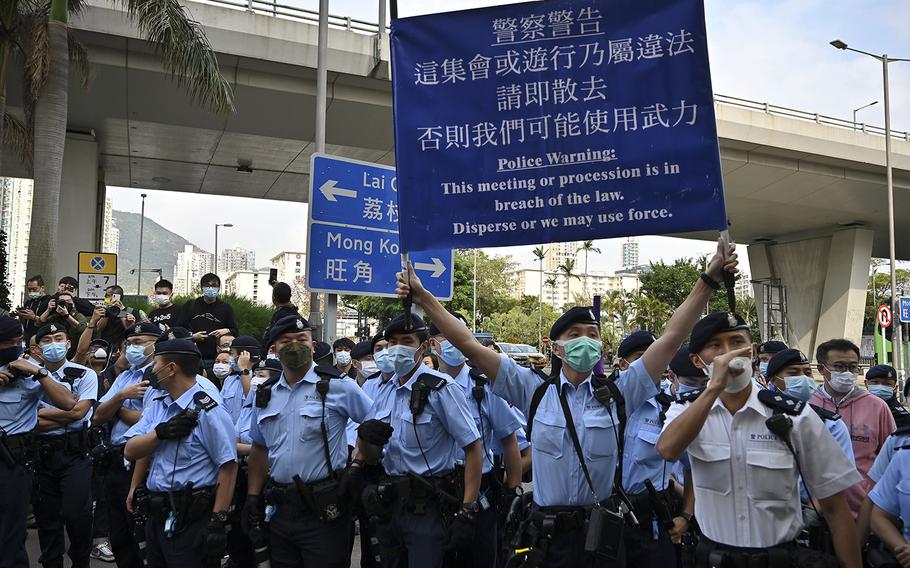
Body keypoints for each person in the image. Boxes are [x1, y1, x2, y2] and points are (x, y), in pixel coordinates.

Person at [400, 238, 738, 568]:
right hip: (548, 540)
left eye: (593, 334)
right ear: (556, 348)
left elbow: (671, 337)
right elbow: (469, 344)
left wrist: (708, 280)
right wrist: (424, 298)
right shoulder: (531, 390)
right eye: (575, 335)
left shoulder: (621, 392)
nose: (586, 342)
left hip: (603, 538)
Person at [656, 312, 862, 568]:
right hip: (712, 558)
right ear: (697, 361)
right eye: (715, 346)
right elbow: (668, 449)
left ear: (752, 351)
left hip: (781, 558)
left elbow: (835, 509)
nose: (729, 353)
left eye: (736, 342)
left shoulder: (794, 416)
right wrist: (713, 389)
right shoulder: (686, 411)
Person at [241, 315, 373, 567]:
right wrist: (253, 496)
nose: (295, 345)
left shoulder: (337, 386)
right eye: (286, 340)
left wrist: (356, 466)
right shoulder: (266, 393)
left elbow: (373, 427)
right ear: (274, 349)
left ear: (313, 345)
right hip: (280, 509)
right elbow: (259, 448)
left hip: (323, 508)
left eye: (302, 339)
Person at [352, 312, 482, 568]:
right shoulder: (383, 390)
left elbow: (473, 448)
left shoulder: (441, 388)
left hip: (429, 506)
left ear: (423, 347)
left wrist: (468, 510)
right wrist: (364, 439)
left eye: (406, 341)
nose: (397, 347)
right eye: (392, 342)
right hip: (390, 505)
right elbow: (373, 455)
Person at [123, 333, 238, 568]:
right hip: (157, 514)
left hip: (192, 518)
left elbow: (228, 466)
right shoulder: (159, 406)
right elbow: (130, 451)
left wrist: (218, 521)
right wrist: (160, 433)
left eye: (157, 363)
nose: (153, 369)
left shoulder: (209, 411)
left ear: (171, 368)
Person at [428, 312, 523, 568]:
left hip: (481, 493)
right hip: (437, 492)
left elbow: (510, 440)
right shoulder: (424, 387)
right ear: (433, 344)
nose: (454, 344)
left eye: (459, 335)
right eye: (446, 337)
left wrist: (512, 495)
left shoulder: (483, 387)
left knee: (481, 558)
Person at [0, 316, 77, 568]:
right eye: (10, 342)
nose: (17, 346)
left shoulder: (29, 370)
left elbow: (67, 403)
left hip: (12, 463)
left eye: (19, 341)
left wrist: (40, 372)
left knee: (10, 536)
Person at [93, 322, 163, 568]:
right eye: (130, 344)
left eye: (139, 342)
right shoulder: (125, 376)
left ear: (155, 344)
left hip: (140, 461)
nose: (132, 348)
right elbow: (99, 414)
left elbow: (145, 419)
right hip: (114, 458)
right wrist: (122, 396)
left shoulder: (159, 375)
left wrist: (116, 409)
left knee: (140, 535)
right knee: (119, 534)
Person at [33, 323, 100, 568]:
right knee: (47, 518)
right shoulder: (31, 376)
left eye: (58, 338)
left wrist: (42, 413)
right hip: (41, 454)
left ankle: (80, 560)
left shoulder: (85, 374)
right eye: (47, 340)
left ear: (68, 343)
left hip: (75, 453)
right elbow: (28, 422)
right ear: (38, 349)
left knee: (78, 514)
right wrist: (65, 410)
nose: (54, 344)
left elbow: (80, 413)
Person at [614, 330, 680, 568]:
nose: (653, 365)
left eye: (658, 358)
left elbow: (692, 466)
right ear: (623, 364)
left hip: (651, 516)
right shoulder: (606, 402)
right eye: (642, 358)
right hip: (609, 514)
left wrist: (686, 516)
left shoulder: (668, 410)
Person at [809, 339, 896, 516]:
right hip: (815, 512)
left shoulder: (877, 407)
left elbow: (892, 460)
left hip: (865, 512)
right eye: (839, 366)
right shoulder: (806, 405)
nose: (847, 373)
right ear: (821, 369)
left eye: (853, 367)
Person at [177, 273, 238, 375]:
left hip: (217, 359)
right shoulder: (190, 305)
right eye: (207, 285)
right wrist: (192, 336)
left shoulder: (225, 308)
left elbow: (235, 331)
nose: (210, 288)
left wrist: (226, 330)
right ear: (201, 287)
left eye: (214, 286)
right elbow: (179, 329)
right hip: (193, 356)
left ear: (219, 288)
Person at [220, 336, 261, 424]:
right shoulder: (230, 379)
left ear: (243, 355)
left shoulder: (260, 378)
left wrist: (244, 370)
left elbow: (252, 401)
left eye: (232, 353)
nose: (230, 357)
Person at [15, 274, 48, 341]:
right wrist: (21, 315)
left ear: (42, 288)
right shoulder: (28, 303)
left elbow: (49, 321)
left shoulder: (49, 302)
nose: (32, 292)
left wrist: (34, 317)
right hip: (27, 336)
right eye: (29, 290)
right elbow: (23, 322)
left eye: (34, 289)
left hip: (42, 337)